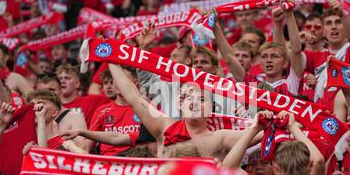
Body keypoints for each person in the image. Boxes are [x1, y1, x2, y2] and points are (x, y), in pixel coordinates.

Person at [108, 62, 263, 160]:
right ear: (180, 105)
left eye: (202, 99)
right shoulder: (164, 127)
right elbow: (133, 97)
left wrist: (280, 119)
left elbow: (262, 132)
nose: (195, 102)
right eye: (189, 98)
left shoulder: (221, 138)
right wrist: (110, 59)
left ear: (211, 109)